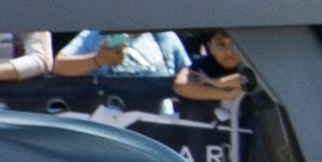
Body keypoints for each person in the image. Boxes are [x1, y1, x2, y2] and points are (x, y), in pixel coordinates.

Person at [52, 28, 194, 77]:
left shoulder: (165, 37)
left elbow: (190, 76)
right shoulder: (95, 35)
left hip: (158, 129)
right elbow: (59, 66)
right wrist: (97, 60)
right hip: (111, 128)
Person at [174, 30, 251, 114]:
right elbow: (180, 85)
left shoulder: (253, 62)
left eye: (235, 43)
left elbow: (249, 79)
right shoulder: (204, 65)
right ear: (210, 47)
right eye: (221, 44)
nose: (229, 51)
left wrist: (218, 82)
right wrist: (228, 94)